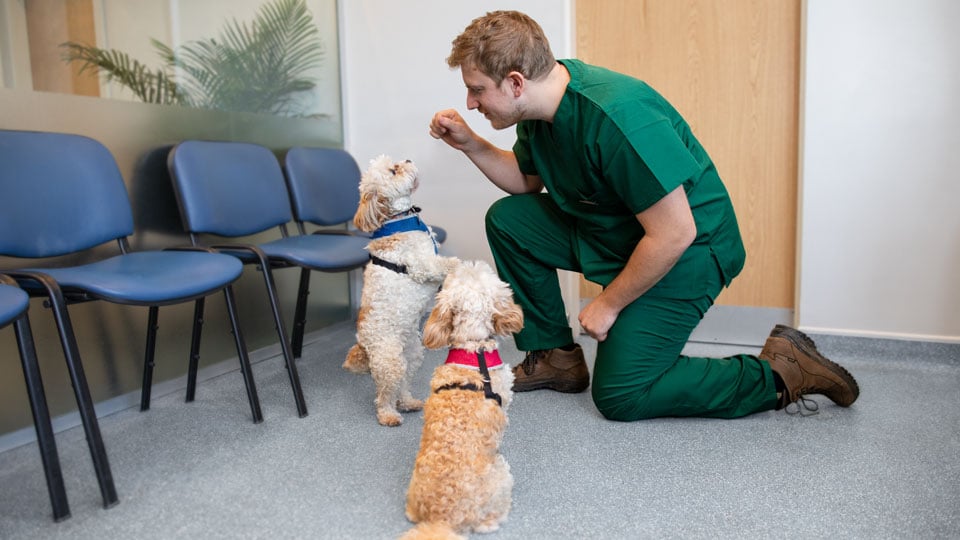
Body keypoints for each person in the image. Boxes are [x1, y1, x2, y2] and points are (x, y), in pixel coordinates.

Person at [429, 10, 859, 421]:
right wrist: (471, 145)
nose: (470, 103)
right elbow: (525, 181)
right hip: (625, 233)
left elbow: (675, 233)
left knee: (621, 394)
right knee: (511, 220)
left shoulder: (618, 116)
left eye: (477, 89)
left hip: (691, 249)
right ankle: (556, 358)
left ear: (516, 82)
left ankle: (782, 372)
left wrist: (608, 303)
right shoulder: (539, 112)